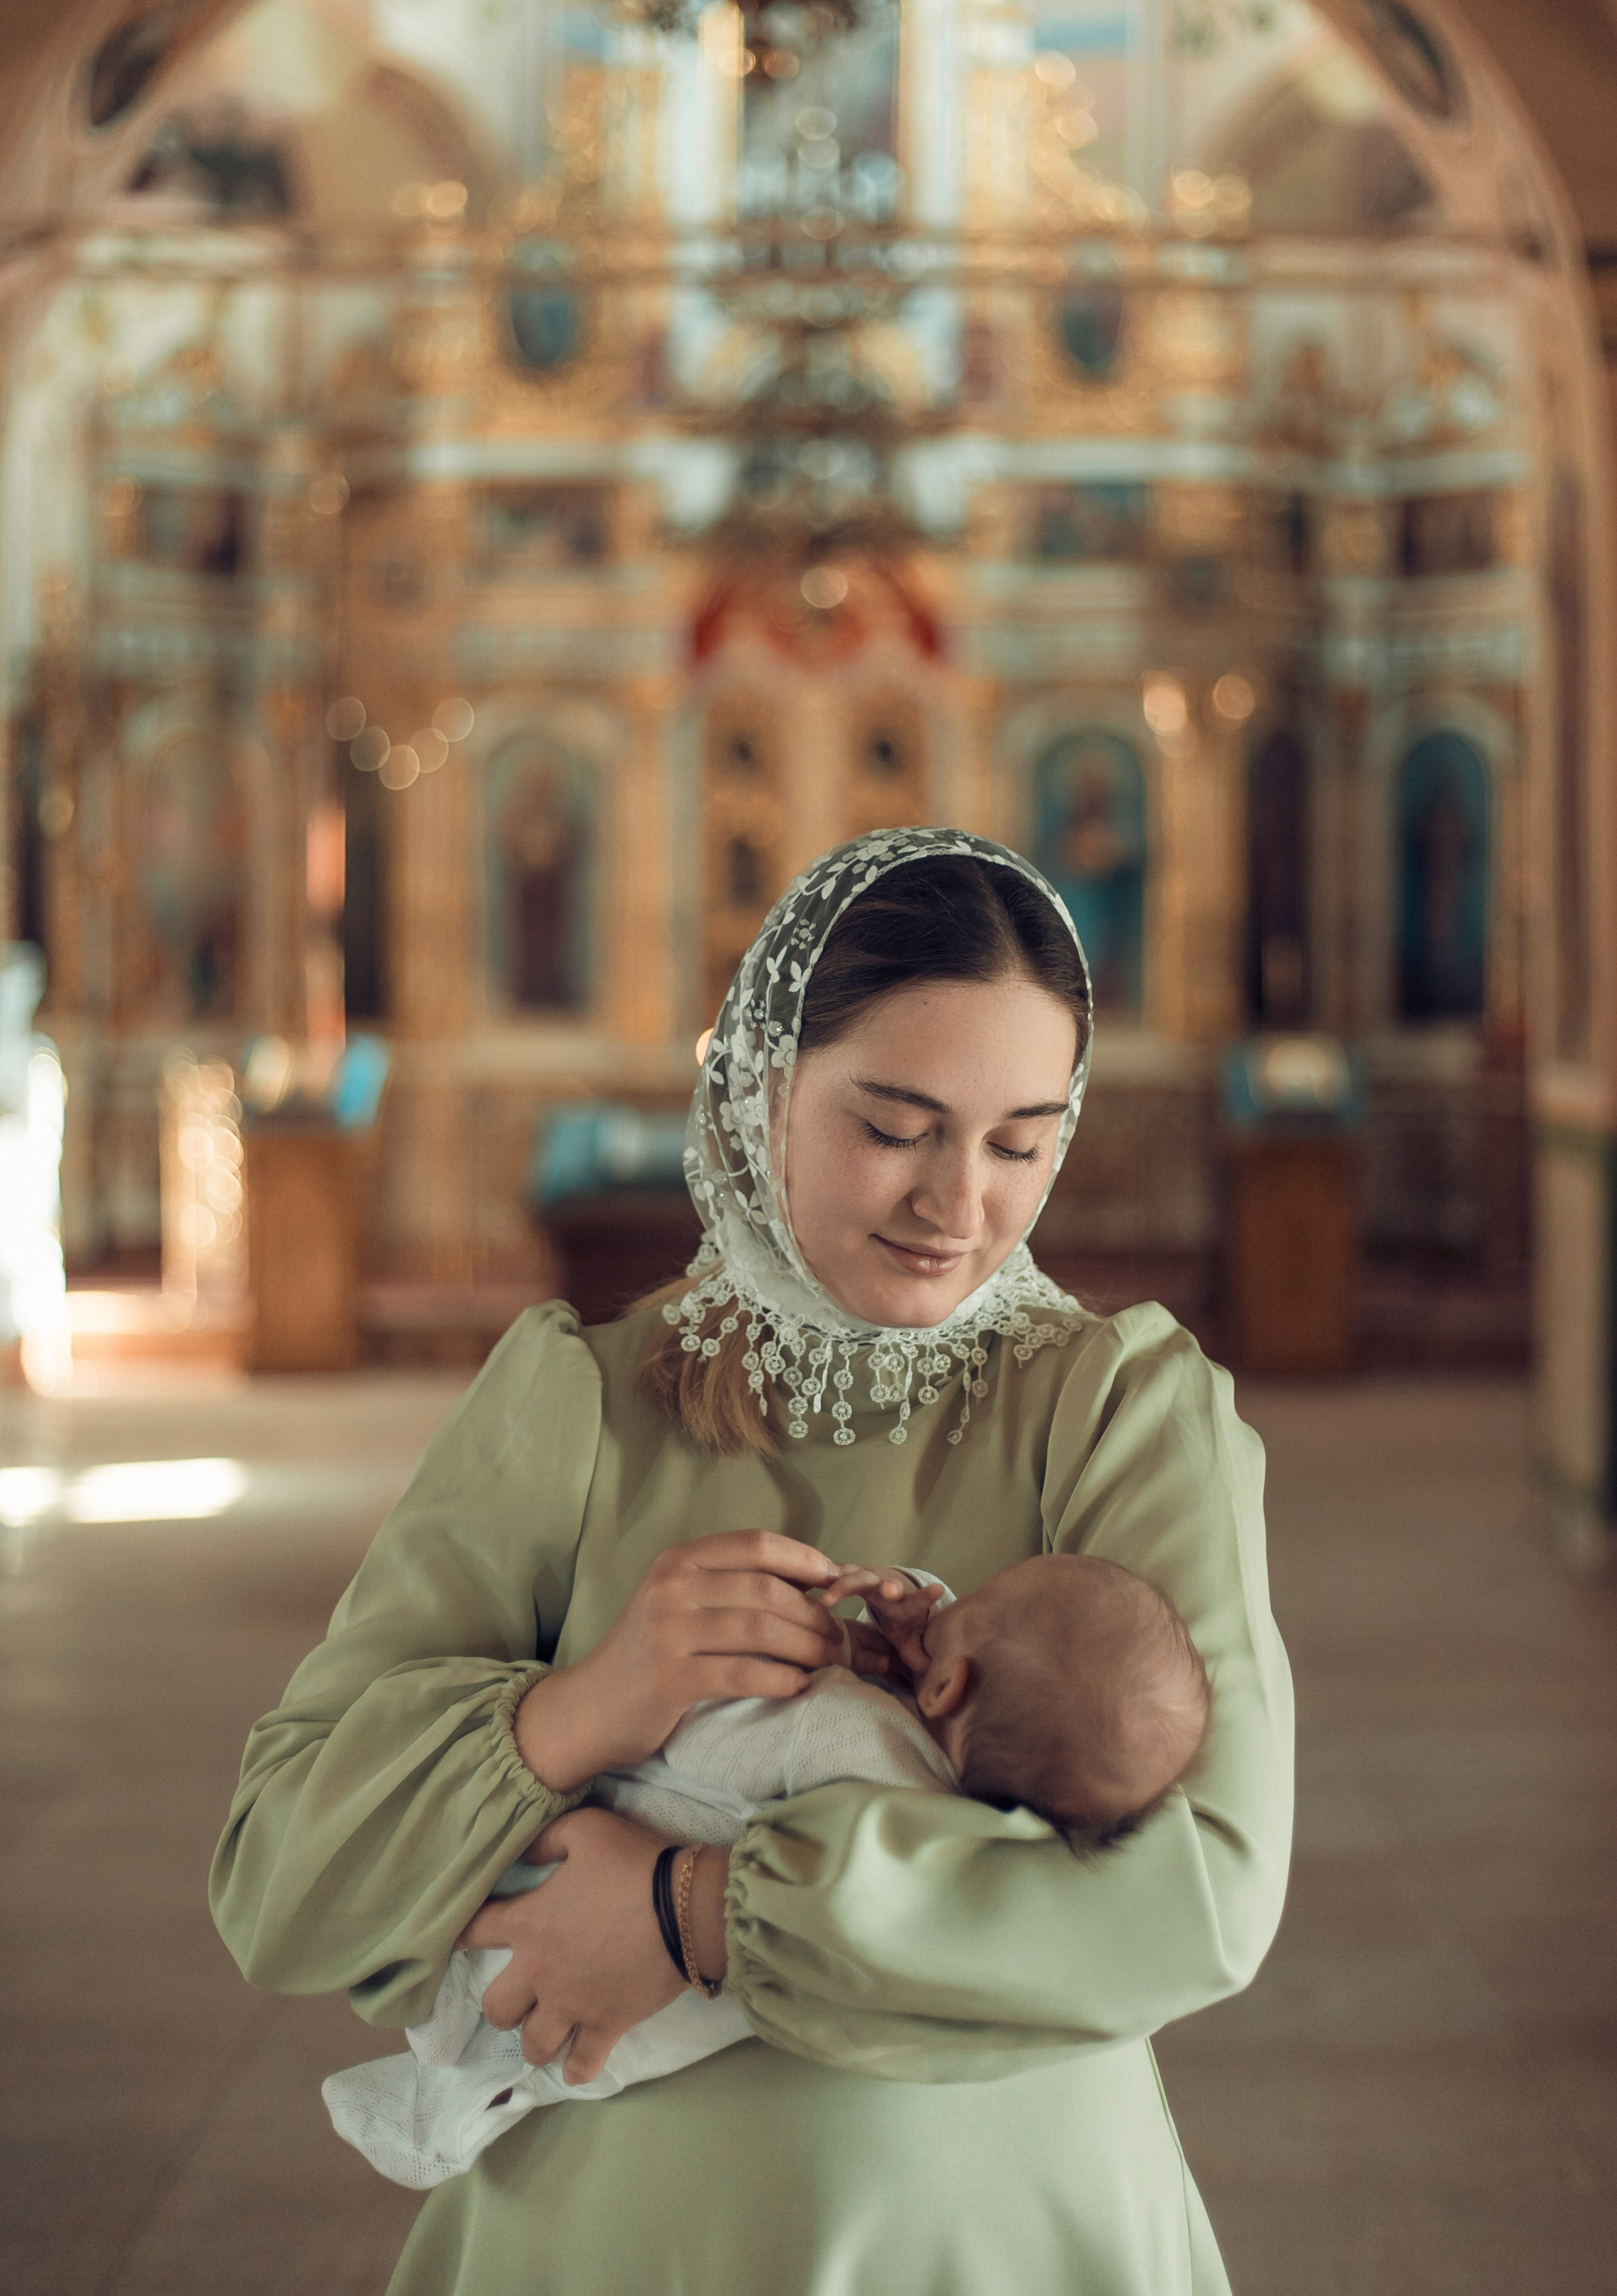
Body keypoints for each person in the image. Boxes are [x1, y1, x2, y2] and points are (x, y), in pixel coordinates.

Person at [211, 826, 1294, 2296]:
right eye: (894, 1125)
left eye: (1019, 1140)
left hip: (1011, 2245)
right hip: (602, 2250)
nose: (956, 1203)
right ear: (758, 1089)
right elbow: (282, 1883)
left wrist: (693, 1910)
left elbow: (1199, 1896)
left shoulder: (1118, 1415)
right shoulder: (577, 1399)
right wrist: (579, 1710)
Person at [321, 1554, 1213, 2190]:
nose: (937, 1599)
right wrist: (940, 1629)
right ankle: (463, 2086)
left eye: (961, 1602)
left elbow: (723, 1733)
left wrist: (800, 1664)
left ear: (946, 1687)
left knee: (535, 2000)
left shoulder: (862, 1736)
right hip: (722, 1988)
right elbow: (989, 1682)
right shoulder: (957, 1819)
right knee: (598, 2048)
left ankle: (446, 2086)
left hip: (648, 1907)